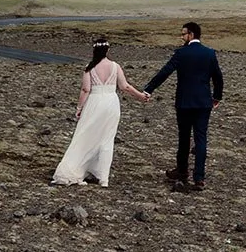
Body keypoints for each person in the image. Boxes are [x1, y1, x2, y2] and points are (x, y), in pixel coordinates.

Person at [50, 37, 150, 186]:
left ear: (94, 50)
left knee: (85, 135)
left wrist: (79, 108)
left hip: (94, 102)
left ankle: (77, 167)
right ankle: (104, 178)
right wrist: (141, 96)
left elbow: (85, 89)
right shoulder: (115, 66)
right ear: (107, 50)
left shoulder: (89, 67)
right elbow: (125, 86)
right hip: (111, 103)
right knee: (107, 139)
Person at [142, 20, 224, 190]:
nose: (181, 37)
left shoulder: (181, 53)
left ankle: (182, 171)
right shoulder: (209, 53)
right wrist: (216, 97)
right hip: (203, 102)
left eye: (183, 34)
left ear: (191, 35)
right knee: (201, 139)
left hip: (184, 102)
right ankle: (199, 178)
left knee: (184, 138)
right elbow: (218, 77)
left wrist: (149, 89)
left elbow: (165, 72)